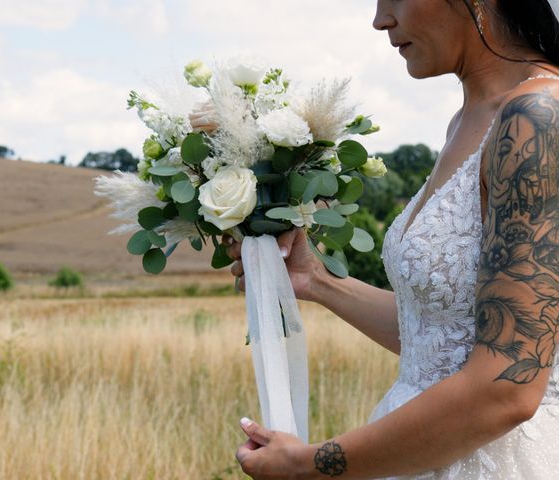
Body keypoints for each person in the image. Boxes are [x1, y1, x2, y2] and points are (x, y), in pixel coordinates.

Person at [223, 0, 559, 478]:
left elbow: (508, 385)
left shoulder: (538, 117)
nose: (380, 19)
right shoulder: (466, 122)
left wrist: (310, 465)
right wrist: (315, 281)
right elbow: (439, 338)